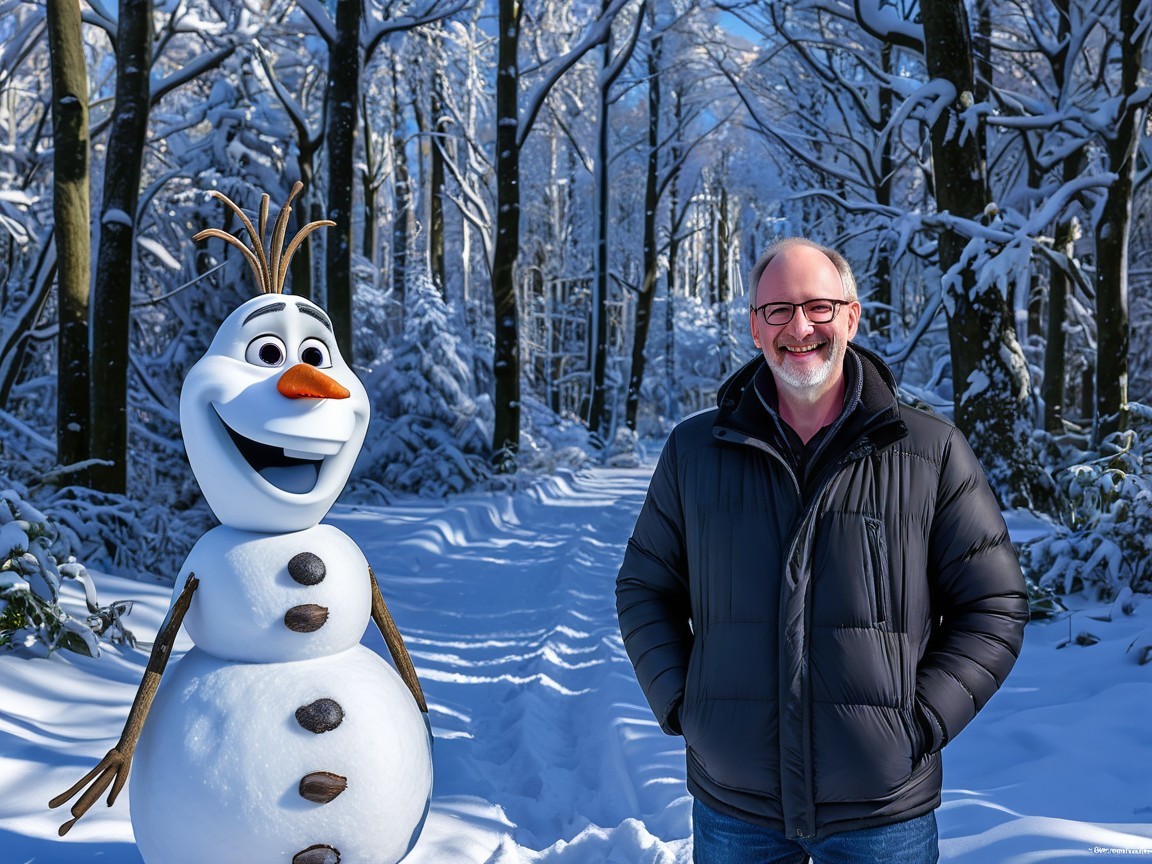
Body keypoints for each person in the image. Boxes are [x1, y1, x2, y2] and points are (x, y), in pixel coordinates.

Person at [615, 237, 1028, 863]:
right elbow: (645, 587)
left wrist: (919, 723)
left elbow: (994, 605)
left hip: (882, 804)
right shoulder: (695, 452)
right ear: (755, 328)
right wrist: (684, 705)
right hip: (737, 803)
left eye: (818, 306)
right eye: (777, 310)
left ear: (852, 317)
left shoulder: (928, 451)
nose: (799, 327)